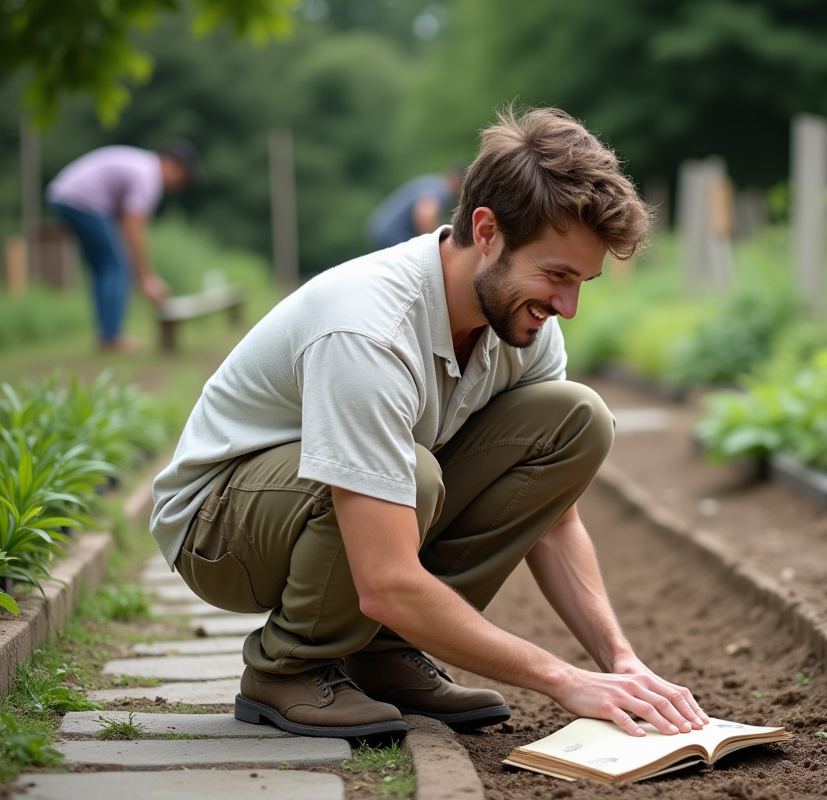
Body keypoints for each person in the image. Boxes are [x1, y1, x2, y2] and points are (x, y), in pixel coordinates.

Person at [150, 107, 709, 741]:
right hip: (222, 526)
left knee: (578, 420)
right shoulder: (368, 329)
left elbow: (554, 520)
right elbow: (387, 580)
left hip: (340, 501)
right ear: (487, 230)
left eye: (582, 281)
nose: (568, 307)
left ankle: (381, 655)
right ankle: (287, 667)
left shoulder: (524, 327)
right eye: (556, 275)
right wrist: (562, 678)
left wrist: (619, 662)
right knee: (408, 475)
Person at [46, 140, 199, 352]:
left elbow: (123, 227)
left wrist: (139, 275)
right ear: (173, 165)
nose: (176, 187)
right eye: (181, 179)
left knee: (105, 266)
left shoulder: (141, 165)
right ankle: (112, 337)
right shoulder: (149, 177)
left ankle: (106, 335)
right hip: (80, 199)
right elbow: (133, 231)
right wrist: (147, 277)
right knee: (116, 264)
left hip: (63, 195)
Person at [366, 166, 465, 250]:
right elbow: (425, 213)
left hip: (381, 229)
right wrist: (433, 245)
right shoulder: (441, 189)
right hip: (394, 234)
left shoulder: (431, 181)